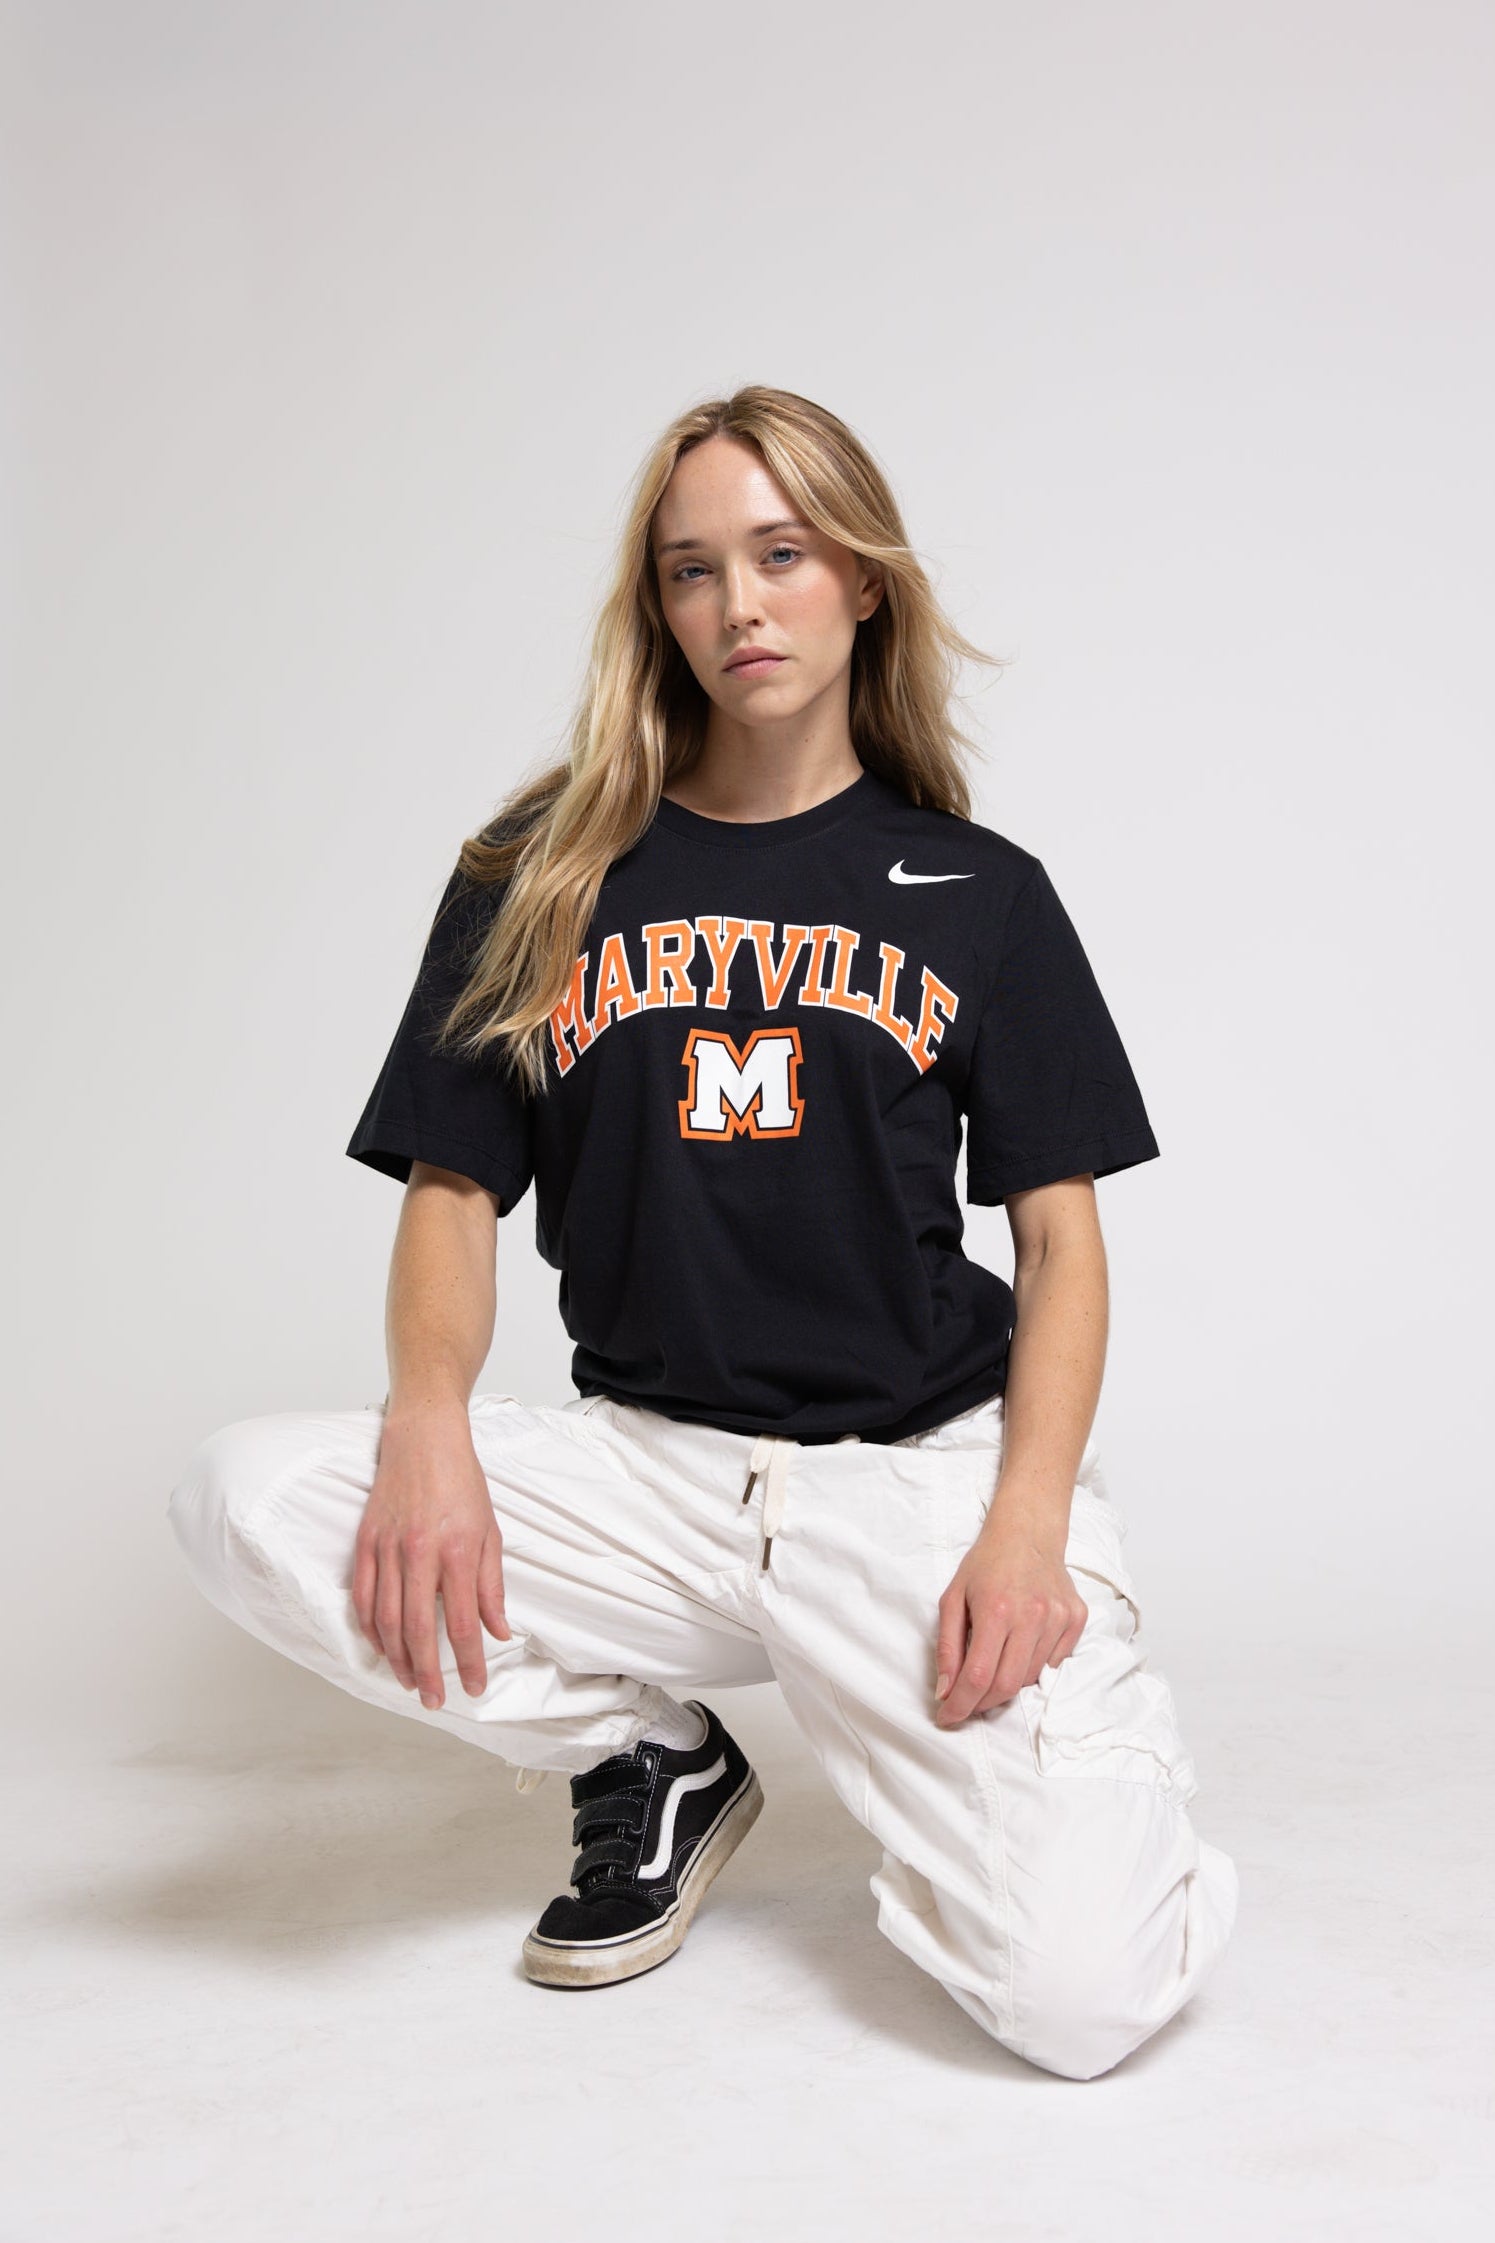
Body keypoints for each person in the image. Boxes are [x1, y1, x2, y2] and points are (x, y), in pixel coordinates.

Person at [167, 385, 1239, 2081]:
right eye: (690, 571)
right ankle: (652, 1756)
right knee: (245, 1496)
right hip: (653, 1480)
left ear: (863, 581)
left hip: (911, 1487)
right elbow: (451, 1191)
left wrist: (1027, 1523)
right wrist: (428, 1420)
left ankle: (1037, 1771)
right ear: (653, 607)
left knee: (1083, 2007)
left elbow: (1059, 1244)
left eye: (782, 554)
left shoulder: (978, 893)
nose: (738, 605)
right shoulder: (540, 870)